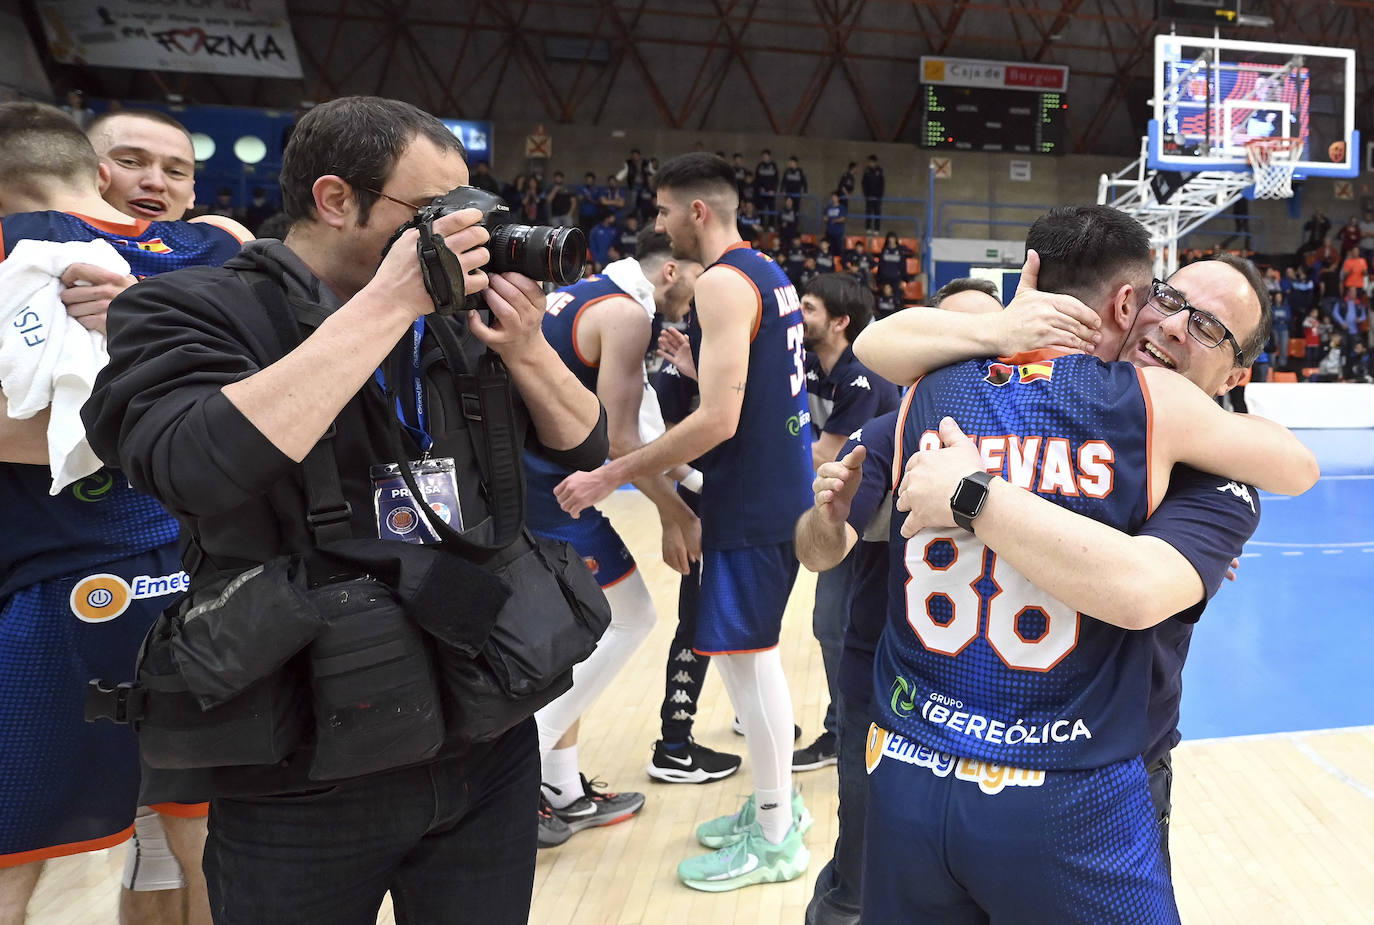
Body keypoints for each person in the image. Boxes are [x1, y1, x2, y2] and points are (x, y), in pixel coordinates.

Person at [80, 95, 607, 925]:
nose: (460, 232)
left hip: (483, 731)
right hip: (303, 761)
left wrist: (528, 344)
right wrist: (387, 305)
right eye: (434, 213)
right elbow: (191, 465)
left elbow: (585, 444)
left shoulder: (453, 316)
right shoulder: (191, 306)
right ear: (335, 199)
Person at [853, 211, 1317, 922]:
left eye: (1209, 328)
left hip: (930, 760)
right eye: (1171, 298)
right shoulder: (1126, 403)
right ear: (1134, 297)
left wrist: (974, 493)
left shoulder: (952, 387)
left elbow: (1143, 579)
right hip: (1067, 786)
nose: (1172, 326)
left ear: (1237, 371)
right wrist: (1001, 332)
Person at [0, 102, 249, 925]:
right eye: (136, 162)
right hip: (194, 571)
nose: (156, 182)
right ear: (95, 170)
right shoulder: (225, 252)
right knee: (187, 841)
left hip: (81, 584)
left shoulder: (23, 248)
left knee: (60, 857)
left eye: (176, 169)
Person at [554, 153, 814, 891]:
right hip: (769, 488)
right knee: (742, 661)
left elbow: (720, 420)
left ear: (697, 211)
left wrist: (615, 470)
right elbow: (755, 391)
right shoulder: (766, 272)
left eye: (665, 211)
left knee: (749, 661)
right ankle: (778, 807)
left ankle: (774, 833)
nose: (659, 224)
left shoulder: (724, 285)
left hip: (754, 498)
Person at [796, 278, 1001, 925]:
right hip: (886, 679)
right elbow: (819, 551)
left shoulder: (1043, 435)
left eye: (985, 343)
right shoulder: (888, 431)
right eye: (953, 340)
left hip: (995, 691)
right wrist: (827, 514)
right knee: (863, 845)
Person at [525, 228, 703, 845]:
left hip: (521, 486)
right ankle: (526, 761)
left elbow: (640, 421)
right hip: (553, 496)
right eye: (700, 286)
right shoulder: (627, 316)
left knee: (570, 645)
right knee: (632, 618)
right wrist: (673, 512)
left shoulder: (583, 294)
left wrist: (684, 479)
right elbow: (620, 443)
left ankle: (561, 790)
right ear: (672, 272)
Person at [793, 275, 900, 775]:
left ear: (840, 323)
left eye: (808, 308)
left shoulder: (864, 377)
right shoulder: (813, 366)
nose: (799, 315)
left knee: (837, 624)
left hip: (868, 521)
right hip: (836, 509)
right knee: (830, 625)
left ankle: (848, 728)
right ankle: (848, 724)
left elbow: (824, 453)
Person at [86, 108, 203, 223]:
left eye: (175, 172)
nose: (156, 183)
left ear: (191, 194)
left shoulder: (214, 238)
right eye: (130, 162)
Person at [861, 154, 884, 233]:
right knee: (868, 212)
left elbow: (882, 184)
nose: (870, 163)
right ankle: (868, 228)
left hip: (877, 196)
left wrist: (880, 196)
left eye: (871, 162)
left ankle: (877, 229)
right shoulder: (866, 171)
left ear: (875, 162)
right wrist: (865, 194)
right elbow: (863, 183)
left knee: (877, 212)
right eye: (869, 162)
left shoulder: (879, 170)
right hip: (869, 196)